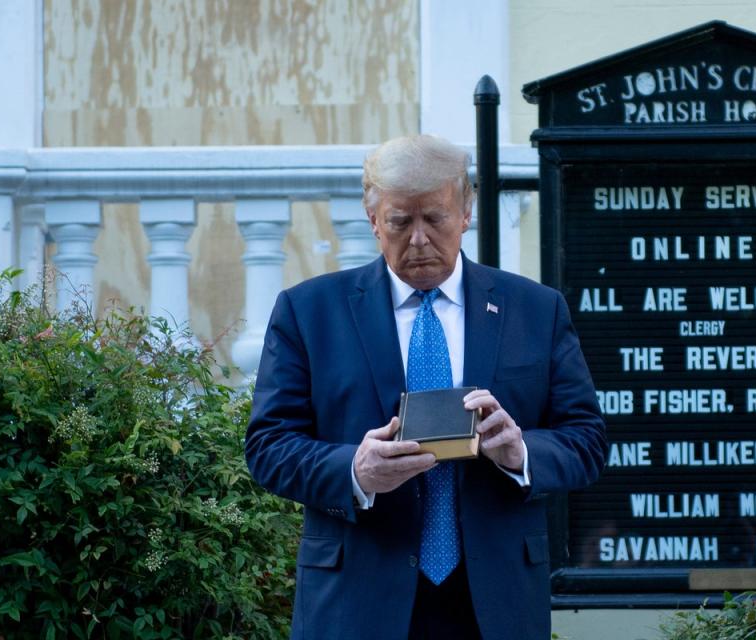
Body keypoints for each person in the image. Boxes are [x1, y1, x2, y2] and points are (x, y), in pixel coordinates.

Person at [245, 134, 607, 640]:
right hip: (357, 597)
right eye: (400, 221)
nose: (418, 239)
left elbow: (587, 440)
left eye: (434, 218)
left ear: (465, 212)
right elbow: (267, 446)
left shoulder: (535, 310)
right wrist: (355, 471)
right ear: (374, 222)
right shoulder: (309, 312)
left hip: (494, 600)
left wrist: (519, 450)